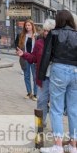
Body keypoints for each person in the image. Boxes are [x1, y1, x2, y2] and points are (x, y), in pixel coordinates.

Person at [38, 10, 77, 153]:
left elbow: (46, 54)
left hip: (59, 70)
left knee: (56, 109)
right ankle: (73, 146)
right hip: (75, 72)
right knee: (73, 110)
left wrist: (41, 75)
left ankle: (58, 145)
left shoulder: (54, 34)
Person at [17, 19, 55, 128]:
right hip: (43, 78)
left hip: (56, 78)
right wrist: (23, 54)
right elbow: (33, 57)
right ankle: (40, 124)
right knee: (41, 101)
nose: (46, 33)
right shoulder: (39, 42)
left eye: (49, 31)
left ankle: (56, 128)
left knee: (55, 104)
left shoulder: (58, 44)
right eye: (45, 30)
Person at [15, 19, 38, 101]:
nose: (27, 27)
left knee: (35, 77)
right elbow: (17, 45)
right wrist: (18, 51)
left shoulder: (37, 36)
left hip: (34, 59)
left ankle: (36, 94)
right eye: (26, 25)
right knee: (26, 76)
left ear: (32, 26)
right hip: (25, 58)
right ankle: (29, 92)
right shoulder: (21, 35)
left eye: (29, 25)